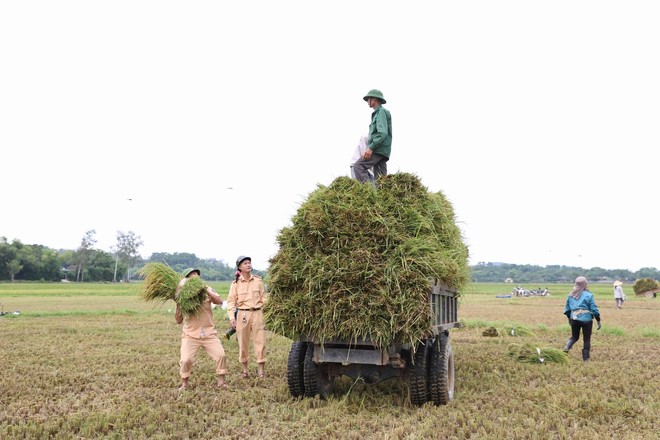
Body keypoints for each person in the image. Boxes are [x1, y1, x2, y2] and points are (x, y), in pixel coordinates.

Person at [175, 268, 228, 390]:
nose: (195, 276)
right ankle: (184, 384)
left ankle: (222, 382)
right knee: (186, 360)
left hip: (209, 333)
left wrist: (206, 291)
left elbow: (219, 301)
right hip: (190, 334)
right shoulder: (183, 296)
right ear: (186, 279)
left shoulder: (207, 289)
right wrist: (178, 304)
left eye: (196, 274)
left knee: (221, 355)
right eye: (191, 275)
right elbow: (178, 320)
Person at [226, 256, 267, 378]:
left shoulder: (258, 281)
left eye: (249, 263)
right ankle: (245, 371)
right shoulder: (236, 284)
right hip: (242, 315)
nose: (248, 265)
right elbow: (231, 302)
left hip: (258, 313)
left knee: (260, 342)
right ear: (239, 267)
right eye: (245, 263)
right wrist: (232, 318)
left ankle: (261, 371)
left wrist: (267, 310)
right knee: (243, 343)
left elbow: (264, 297)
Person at [353, 89, 392, 183]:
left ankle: (369, 193)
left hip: (378, 149)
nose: (367, 102)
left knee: (358, 166)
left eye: (368, 99)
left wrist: (370, 148)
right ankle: (381, 196)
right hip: (383, 150)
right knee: (381, 180)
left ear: (374, 99)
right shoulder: (378, 113)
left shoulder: (381, 112)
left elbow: (382, 133)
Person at [563, 276, 601, 362]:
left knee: (574, 337)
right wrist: (598, 320)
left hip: (574, 319)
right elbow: (594, 310)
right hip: (586, 320)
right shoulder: (589, 295)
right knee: (586, 339)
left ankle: (567, 347)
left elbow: (567, 309)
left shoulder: (571, 295)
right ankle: (586, 360)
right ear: (585, 285)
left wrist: (570, 319)